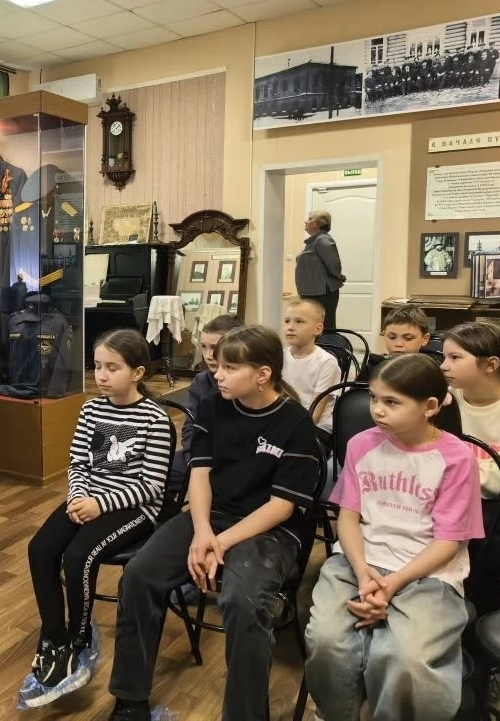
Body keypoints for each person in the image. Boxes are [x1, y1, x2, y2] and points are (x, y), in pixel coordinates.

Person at [105, 325, 320, 721]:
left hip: (269, 529)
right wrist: (202, 532)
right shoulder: (212, 406)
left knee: (243, 601)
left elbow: (281, 507)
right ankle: (130, 699)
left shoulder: (296, 423)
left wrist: (219, 543)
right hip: (210, 515)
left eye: (229, 368)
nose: (217, 374)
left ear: (263, 374)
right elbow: (200, 474)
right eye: (218, 365)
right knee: (139, 575)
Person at [304, 354, 483, 720]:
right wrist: (363, 572)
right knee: (327, 641)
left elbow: (447, 543)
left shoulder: (457, 458)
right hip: (358, 560)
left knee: (405, 659)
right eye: (374, 398)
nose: (377, 410)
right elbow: (348, 519)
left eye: (391, 402)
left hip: (428, 572)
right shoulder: (361, 444)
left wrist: (392, 584)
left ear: (430, 407)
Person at [20, 329, 173, 708]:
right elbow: (78, 463)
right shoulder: (91, 409)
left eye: (112, 368)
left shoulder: (155, 418)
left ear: (137, 372)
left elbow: (152, 486)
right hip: (88, 498)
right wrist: (77, 497)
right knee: (40, 549)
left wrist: (100, 505)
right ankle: (53, 636)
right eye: (97, 366)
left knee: (79, 557)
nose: (101, 375)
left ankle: (78, 639)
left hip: (133, 508)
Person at [442, 322, 500, 615]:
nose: (444, 366)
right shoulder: (444, 402)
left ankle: (481, 622)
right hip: (446, 499)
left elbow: (499, 483)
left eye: (455, 358)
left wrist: (457, 470)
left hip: (494, 508)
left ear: (491, 364)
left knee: (484, 549)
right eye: (444, 357)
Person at [173, 314, 244, 494]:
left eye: (215, 348)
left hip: (234, 460)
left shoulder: (246, 383)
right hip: (199, 453)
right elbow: (190, 428)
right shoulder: (201, 381)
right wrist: (195, 460)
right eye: (203, 347)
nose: (208, 355)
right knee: (158, 472)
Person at [282, 298, 341, 436]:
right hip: (286, 420)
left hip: (316, 427)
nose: (290, 327)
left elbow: (315, 414)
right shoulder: (280, 356)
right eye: (287, 321)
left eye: (299, 321)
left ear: (318, 329)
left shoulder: (327, 362)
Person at [295, 209, 345, 330]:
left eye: (310, 219)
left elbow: (334, 264)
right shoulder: (313, 242)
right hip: (312, 292)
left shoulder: (323, 240)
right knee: (312, 327)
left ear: (321, 223)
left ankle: (328, 344)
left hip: (322, 293)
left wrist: (339, 277)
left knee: (325, 326)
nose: (306, 221)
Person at [357, 305, 431, 382]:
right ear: (384, 335)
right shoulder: (372, 368)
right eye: (392, 337)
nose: (398, 344)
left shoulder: (429, 372)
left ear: (424, 339)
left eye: (408, 338)